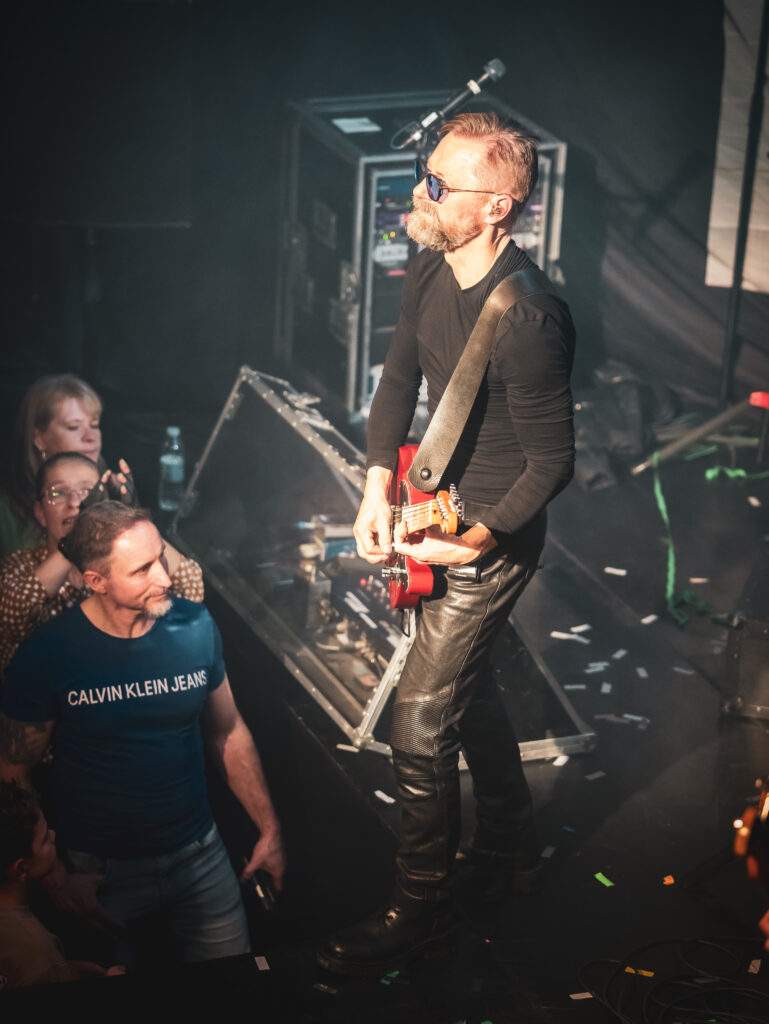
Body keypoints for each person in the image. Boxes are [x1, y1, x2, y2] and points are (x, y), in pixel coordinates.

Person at [318, 112, 576, 974]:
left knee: (420, 724)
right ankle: (511, 847)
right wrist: (375, 486)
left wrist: (478, 538)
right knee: (471, 693)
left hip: (491, 534)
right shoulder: (430, 264)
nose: (420, 193)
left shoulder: (529, 317)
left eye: (439, 184)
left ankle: (419, 909)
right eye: (424, 174)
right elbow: (397, 377)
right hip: (434, 507)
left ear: (497, 206)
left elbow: (553, 461)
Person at [0, 501, 285, 967]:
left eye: (161, 558)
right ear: (96, 581)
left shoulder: (195, 626)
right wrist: (56, 879)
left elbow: (228, 731)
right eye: (142, 569)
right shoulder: (49, 653)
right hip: (100, 873)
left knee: (234, 993)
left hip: (200, 856)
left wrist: (269, 830)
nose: (165, 578)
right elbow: (12, 771)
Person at [0, 452, 204, 676]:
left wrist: (133, 517)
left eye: (87, 492)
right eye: (58, 493)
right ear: (40, 512)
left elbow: (191, 588)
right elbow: (10, 620)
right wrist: (77, 539)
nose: (75, 503)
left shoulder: (120, 566)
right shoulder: (19, 565)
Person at [0, 780, 123, 988]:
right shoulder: (35, 947)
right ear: (21, 869)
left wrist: (65, 970)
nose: (54, 835)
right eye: (45, 840)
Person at [0, 373, 134, 560]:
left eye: (94, 425)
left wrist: (128, 514)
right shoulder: (7, 511)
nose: (90, 437)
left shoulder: (111, 487)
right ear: (39, 438)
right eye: (73, 427)